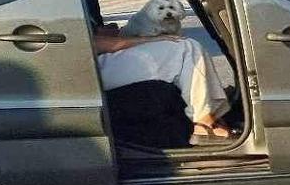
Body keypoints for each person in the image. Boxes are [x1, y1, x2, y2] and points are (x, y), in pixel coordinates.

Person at [93, 23, 231, 139]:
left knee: (182, 46)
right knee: (185, 48)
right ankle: (203, 120)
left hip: (92, 62)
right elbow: (89, 43)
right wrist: (148, 40)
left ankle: (208, 113)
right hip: (90, 69)